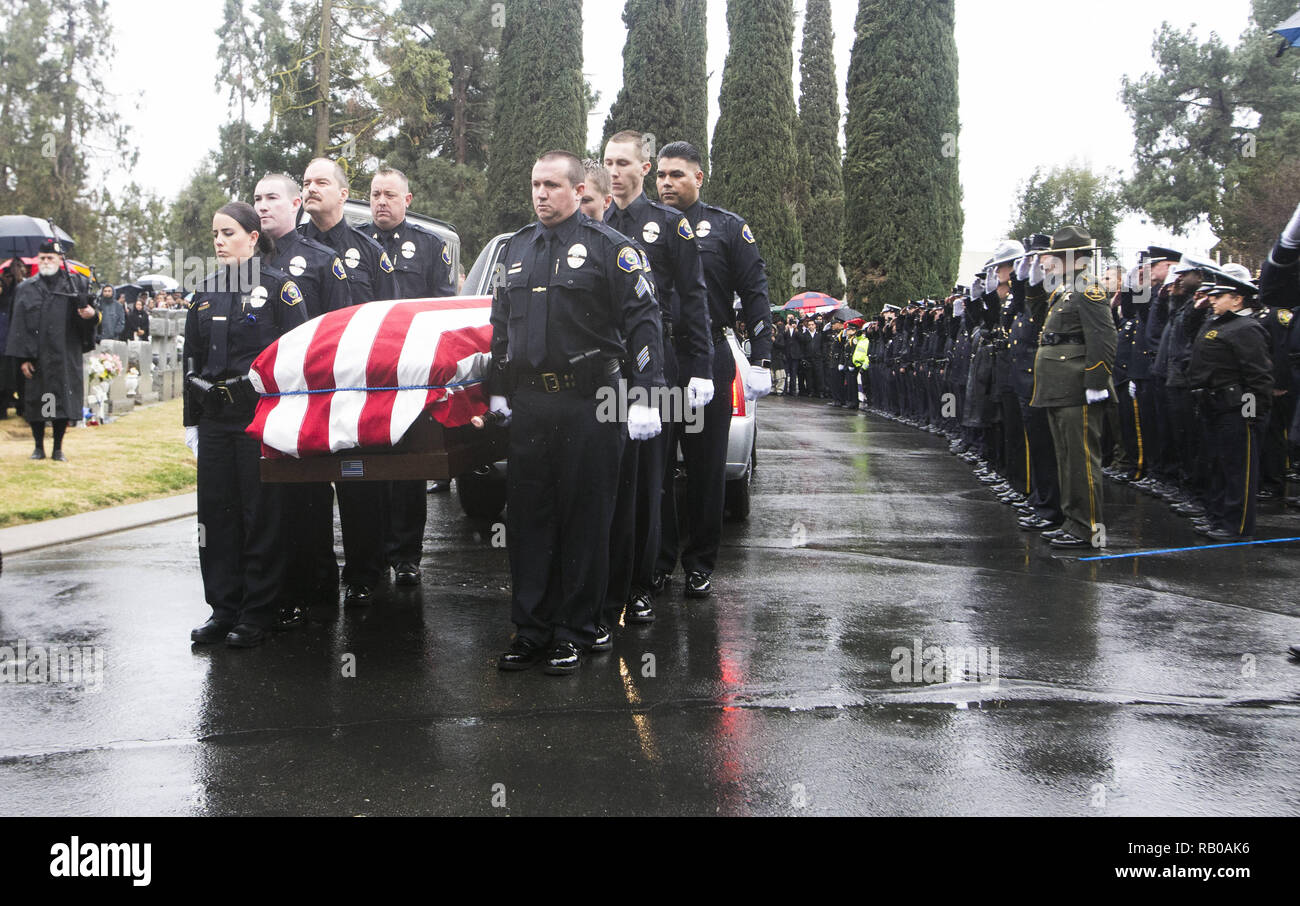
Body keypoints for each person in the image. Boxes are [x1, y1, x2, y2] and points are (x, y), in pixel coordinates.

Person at [487, 150, 664, 676]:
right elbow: (501, 325)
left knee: (585, 519)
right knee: (528, 520)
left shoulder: (611, 249)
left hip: (593, 401)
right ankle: (532, 629)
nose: (541, 194)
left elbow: (644, 322)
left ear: (578, 190)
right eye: (535, 185)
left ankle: (576, 629)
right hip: (534, 403)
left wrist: (647, 393)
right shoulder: (515, 250)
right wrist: (498, 389)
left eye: (552, 186)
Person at [185, 202, 310, 648]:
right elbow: (191, 359)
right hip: (216, 422)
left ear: (254, 238)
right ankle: (224, 608)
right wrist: (191, 423)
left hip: (259, 420)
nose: (219, 241)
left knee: (262, 517)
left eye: (229, 233)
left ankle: (259, 611)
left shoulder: (280, 289)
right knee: (217, 516)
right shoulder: (204, 292)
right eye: (215, 234)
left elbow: (297, 358)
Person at [601, 131, 713, 631]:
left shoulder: (670, 226)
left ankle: (644, 582)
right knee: (609, 471)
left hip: (658, 359)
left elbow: (694, 299)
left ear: (644, 168)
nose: (615, 172)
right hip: (605, 360)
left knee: (652, 473)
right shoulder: (595, 222)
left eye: (624, 163)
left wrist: (701, 369)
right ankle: (607, 577)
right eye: (608, 162)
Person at [654, 140, 773, 597]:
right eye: (661, 175)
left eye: (677, 175)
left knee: (706, 468)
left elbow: (757, 292)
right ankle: (659, 560)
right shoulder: (646, 227)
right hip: (659, 359)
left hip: (709, 356)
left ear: (698, 178)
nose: (666, 183)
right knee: (657, 465)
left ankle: (700, 563)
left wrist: (762, 357)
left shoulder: (727, 229)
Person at [253, 171, 352, 627]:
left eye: (273, 197)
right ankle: (269, 593)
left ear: (295, 205)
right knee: (266, 502)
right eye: (256, 198)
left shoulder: (322, 260)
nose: (263, 206)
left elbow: (340, 333)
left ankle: (315, 594)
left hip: (304, 399)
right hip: (256, 400)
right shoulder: (245, 262)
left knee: (306, 497)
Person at [299, 157, 397, 606]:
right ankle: (315, 575)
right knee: (307, 484)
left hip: (357, 389)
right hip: (304, 388)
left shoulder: (370, 252)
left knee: (360, 481)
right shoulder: (288, 250)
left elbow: (388, 322)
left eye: (321, 181)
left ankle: (364, 573)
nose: (311, 188)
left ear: (343, 194)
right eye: (305, 182)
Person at [361, 166, 457, 587]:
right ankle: (372, 553)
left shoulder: (431, 247)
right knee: (367, 464)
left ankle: (406, 555)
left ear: (407, 200)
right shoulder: (354, 245)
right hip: (363, 372)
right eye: (375, 194)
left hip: (411, 373)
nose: (381, 201)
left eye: (390, 195)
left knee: (409, 464)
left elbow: (442, 310)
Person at [1025, 226, 1117, 549]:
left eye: (1052, 256)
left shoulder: (1087, 289)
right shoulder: (1066, 289)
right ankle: (1071, 520)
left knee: (1081, 460)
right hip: (1060, 388)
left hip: (1077, 387)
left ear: (1070, 258)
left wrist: (1095, 382)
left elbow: (1104, 339)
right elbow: (1037, 317)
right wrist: (1033, 282)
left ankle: (1089, 527)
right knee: (1066, 458)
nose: (1047, 261)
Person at [1185, 265, 1273, 542]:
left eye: (1219, 295)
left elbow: (1258, 377)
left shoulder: (1246, 328)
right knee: (1218, 465)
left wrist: (1251, 414)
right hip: (1213, 405)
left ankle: (1237, 526)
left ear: (1237, 298)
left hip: (1236, 407)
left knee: (1239, 470)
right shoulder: (1216, 323)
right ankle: (1218, 516)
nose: (1212, 299)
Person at [5, 239, 99, 461]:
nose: (46, 262)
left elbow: (92, 317)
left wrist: (91, 315)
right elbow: (18, 324)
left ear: (59, 260)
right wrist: (23, 358)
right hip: (37, 356)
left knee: (61, 403)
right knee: (37, 402)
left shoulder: (74, 285)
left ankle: (58, 448)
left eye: (50, 258)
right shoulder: (26, 288)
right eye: (43, 258)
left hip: (64, 354)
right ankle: (38, 447)